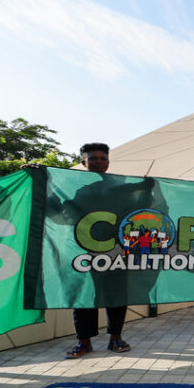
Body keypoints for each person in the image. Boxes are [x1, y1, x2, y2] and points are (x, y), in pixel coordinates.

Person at [62, 143, 131, 358]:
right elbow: (61, 210)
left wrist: (148, 186)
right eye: (93, 158)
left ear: (109, 162)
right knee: (84, 295)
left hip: (114, 249)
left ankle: (115, 338)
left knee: (116, 294)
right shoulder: (71, 185)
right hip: (82, 249)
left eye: (103, 158)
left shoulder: (120, 185)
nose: (99, 162)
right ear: (84, 162)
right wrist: (37, 174)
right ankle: (84, 342)